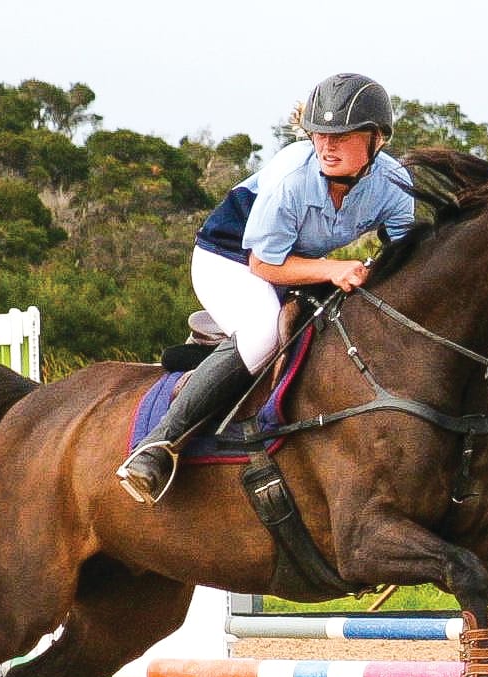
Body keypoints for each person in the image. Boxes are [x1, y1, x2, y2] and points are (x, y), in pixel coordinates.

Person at [116, 72, 415, 504]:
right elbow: (264, 264)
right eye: (321, 133)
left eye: (342, 135)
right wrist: (333, 270)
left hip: (297, 265)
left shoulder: (394, 185)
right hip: (230, 261)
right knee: (263, 332)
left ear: (376, 139)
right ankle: (159, 445)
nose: (327, 146)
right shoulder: (292, 176)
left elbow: (402, 252)